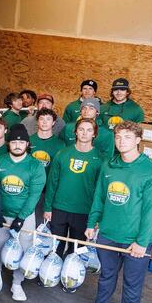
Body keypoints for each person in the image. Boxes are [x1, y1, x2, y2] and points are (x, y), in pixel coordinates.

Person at [76, 121, 152, 303]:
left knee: (132, 283)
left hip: (135, 241)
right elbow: (99, 197)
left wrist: (142, 242)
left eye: (127, 137)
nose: (121, 141)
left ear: (137, 140)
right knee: (106, 275)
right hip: (107, 233)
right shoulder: (109, 165)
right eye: (118, 137)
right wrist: (92, 222)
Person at [0, 124, 46, 302]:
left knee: (24, 251)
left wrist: (21, 217)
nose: (17, 145)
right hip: (1, 215)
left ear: (27, 144)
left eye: (21, 142)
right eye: (14, 142)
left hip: (24, 216)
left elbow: (34, 195)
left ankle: (17, 284)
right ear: (8, 144)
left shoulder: (35, 165)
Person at [43, 119, 103, 279]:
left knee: (77, 248)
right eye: (81, 129)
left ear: (94, 134)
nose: (84, 133)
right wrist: (48, 207)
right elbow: (52, 182)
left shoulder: (100, 158)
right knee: (55, 245)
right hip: (59, 207)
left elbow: (100, 191)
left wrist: (97, 217)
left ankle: (71, 278)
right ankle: (51, 275)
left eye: (89, 130)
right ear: (75, 132)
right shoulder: (63, 154)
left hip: (84, 211)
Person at [29, 109, 65, 173]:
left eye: (48, 119)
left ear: (53, 122)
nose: (44, 122)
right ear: (37, 122)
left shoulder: (61, 144)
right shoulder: (28, 141)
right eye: (42, 119)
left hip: (50, 181)